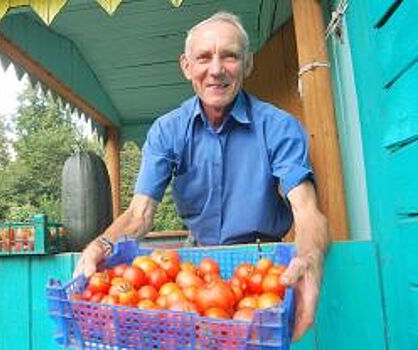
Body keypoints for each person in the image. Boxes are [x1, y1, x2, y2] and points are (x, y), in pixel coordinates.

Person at [74, 11, 330, 341]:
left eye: (230, 56)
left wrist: (309, 258)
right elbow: (140, 214)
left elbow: (308, 212)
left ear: (248, 64)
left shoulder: (279, 127)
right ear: (186, 66)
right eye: (204, 58)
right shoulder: (167, 130)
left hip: (261, 272)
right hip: (194, 271)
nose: (216, 69)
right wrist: (102, 244)